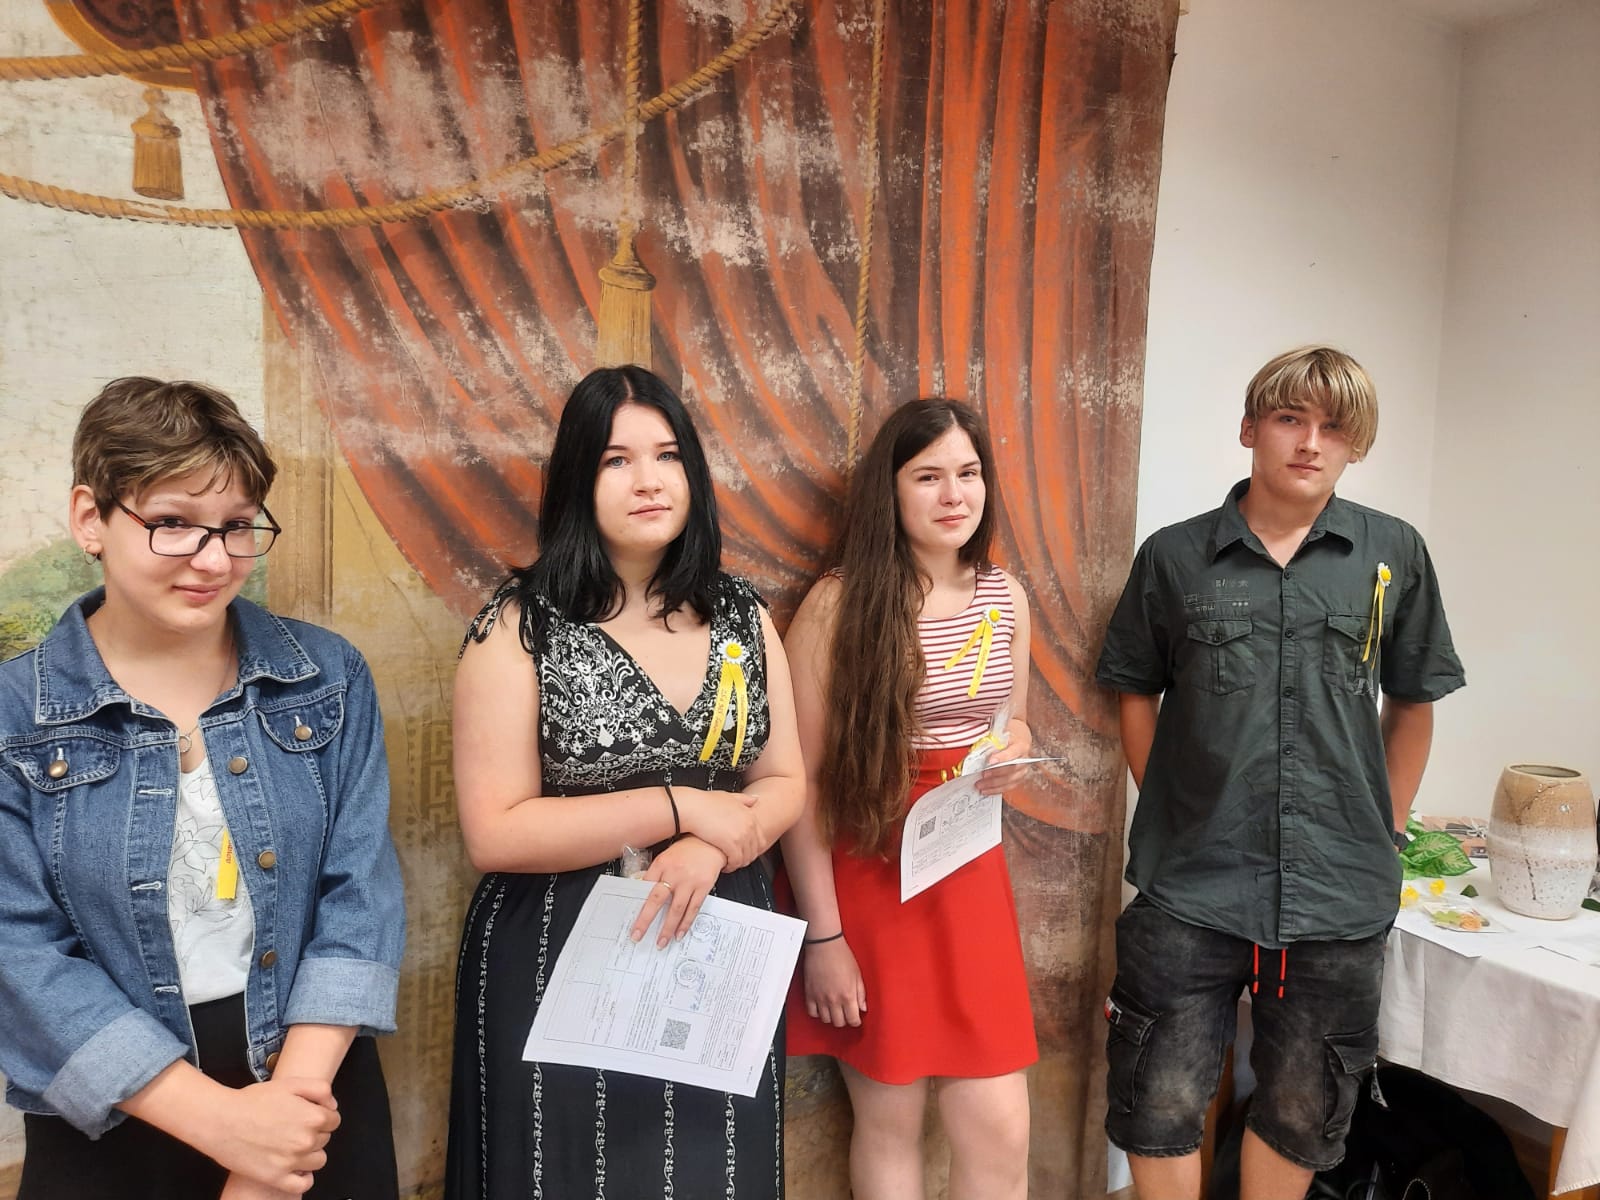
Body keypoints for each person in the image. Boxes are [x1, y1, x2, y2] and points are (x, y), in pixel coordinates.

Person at [0, 378, 406, 1200]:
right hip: (115, 1105)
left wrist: (281, 1129)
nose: (215, 560)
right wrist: (224, 1127)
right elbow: (17, 952)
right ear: (90, 518)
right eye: (174, 523)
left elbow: (360, 896)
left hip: (312, 1087)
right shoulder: (16, 714)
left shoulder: (324, 677)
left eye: (237, 526)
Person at [1095, 346, 1466, 1200]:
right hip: (1191, 885)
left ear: (1355, 444)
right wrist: (1174, 807)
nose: (1310, 443)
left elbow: (1414, 701)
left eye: (1334, 427)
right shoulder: (1175, 558)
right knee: (1158, 1097)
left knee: (1305, 1107)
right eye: (1290, 419)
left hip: (1339, 889)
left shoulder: (1393, 554)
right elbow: (1134, 691)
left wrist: (1388, 826)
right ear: (1250, 428)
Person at [444, 365, 806, 1199]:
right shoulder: (520, 624)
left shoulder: (743, 615)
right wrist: (678, 807)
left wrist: (712, 847)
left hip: (718, 954)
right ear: (578, 479)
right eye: (617, 460)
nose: (649, 480)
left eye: (668, 455)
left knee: (713, 1176)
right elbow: (494, 831)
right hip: (557, 954)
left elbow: (786, 779)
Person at [779, 399, 1037, 1200]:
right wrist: (825, 938)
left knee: (1001, 1128)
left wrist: (1015, 747)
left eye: (969, 473)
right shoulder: (838, 604)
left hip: (967, 868)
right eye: (928, 477)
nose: (954, 495)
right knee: (889, 1120)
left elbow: (1012, 721)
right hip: (868, 871)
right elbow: (800, 783)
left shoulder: (1006, 596)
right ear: (888, 491)